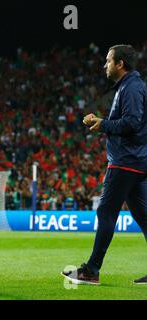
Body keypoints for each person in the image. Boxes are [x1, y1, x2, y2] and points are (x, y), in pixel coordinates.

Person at [62, 45, 147, 285]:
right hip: (137, 160)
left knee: (106, 211)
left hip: (126, 161)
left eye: (108, 61)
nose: (105, 65)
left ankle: (91, 270)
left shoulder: (130, 87)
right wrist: (103, 123)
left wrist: (104, 124)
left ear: (120, 63)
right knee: (144, 216)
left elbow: (131, 122)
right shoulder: (131, 86)